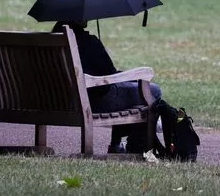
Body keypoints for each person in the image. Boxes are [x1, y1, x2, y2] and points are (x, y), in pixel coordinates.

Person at [51, 20, 162, 153]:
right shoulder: (88, 41)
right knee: (153, 90)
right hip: (93, 101)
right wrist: (130, 76)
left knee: (131, 91)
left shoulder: (49, 42)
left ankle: (118, 144)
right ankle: (133, 145)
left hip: (58, 102)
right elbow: (109, 75)